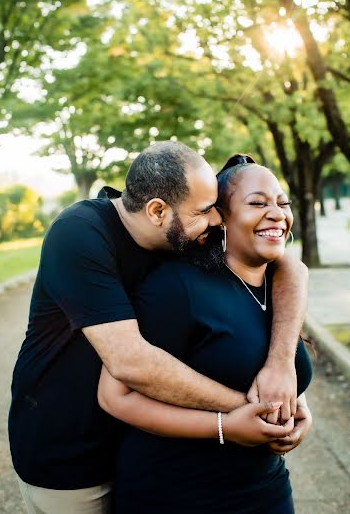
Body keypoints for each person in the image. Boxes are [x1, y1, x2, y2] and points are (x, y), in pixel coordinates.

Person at [9, 142, 308, 514]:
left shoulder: (179, 235)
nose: (215, 220)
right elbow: (130, 362)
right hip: (70, 447)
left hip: (132, 446)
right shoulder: (79, 235)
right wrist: (261, 410)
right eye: (204, 211)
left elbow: (288, 268)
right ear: (156, 211)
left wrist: (282, 372)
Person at [98, 155, 313, 514]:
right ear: (220, 217)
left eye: (282, 202)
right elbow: (114, 396)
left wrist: (297, 409)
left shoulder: (282, 289)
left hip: (266, 489)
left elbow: (272, 368)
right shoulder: (177, 288)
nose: (277, 213)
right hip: (177, 494)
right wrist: (224, 426)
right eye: (258, 203)